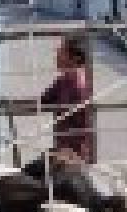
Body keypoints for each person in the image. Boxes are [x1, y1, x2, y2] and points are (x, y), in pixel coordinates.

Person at [40, 36, 96, 164]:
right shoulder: (63, 80)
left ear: (75, 58)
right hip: (61, 151)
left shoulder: (79, 86)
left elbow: (84, 132)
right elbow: (41, 101)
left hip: (72, 156)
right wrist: (5, 105)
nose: (57, 55)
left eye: (61, 51)